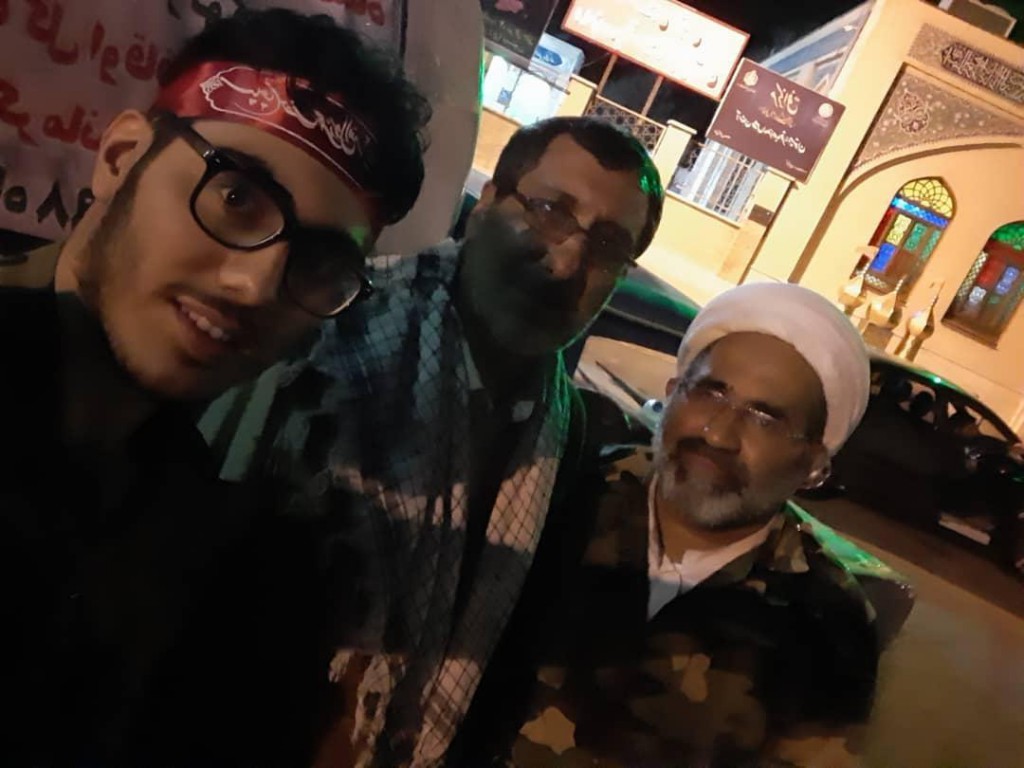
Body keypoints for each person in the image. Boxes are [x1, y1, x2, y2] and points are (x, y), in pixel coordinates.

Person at [0, 9, 429, 766]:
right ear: (121, 158)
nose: (255, 285)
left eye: (317, 264)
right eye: (236, 199)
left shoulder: (217, 564)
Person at [254, 116, 664, 767]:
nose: (565, 262)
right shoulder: (333, 333)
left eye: (608, 245)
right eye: (550, 211)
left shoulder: (567, 431)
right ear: (487, 205)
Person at [467, 283, 895, 768]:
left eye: (765, 418)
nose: (718, 434)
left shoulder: (826, 625)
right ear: (671, 395)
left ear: (814, 466)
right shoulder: (559, 490)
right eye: (711, 392)